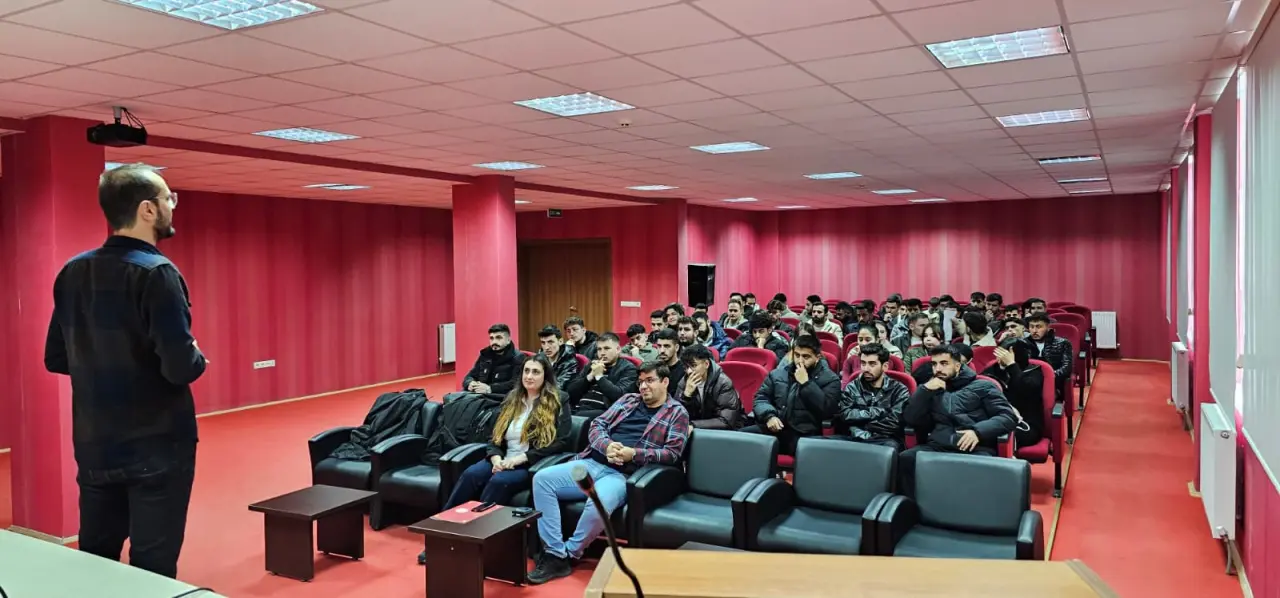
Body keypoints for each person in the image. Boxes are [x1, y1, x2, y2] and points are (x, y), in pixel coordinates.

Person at [44, 164, 207, 578]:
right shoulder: (158, 274)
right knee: (152, 566)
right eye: (169, 198)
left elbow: (55, 358)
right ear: (147, 210)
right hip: (157, 447)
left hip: (95, 443)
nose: (173, 205)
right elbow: (180, 368)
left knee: (96, 559)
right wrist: (196, 355)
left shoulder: (73, 271)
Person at [527, 362, 691, 585]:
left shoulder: (677, 412)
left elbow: (672, 454)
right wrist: (607, 446)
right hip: (593, 462)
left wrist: (633, 454)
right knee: (542, 479)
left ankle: (570, 554)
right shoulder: (628, 400)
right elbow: (597, 424)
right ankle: (555, 552)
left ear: (665, 382)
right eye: (640, 382)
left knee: (598, 502)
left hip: (624, 475)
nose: (643, 386)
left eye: (650, 381)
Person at [419, 353, 571, 565]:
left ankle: (472, 541)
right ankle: (440, 537)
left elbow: (560, 442)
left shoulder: (558, 400)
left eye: (536, 372)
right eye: (526, 371)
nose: (529, 376)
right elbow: (494, 436)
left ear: (546, 376)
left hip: (529, 464)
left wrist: (520, 459)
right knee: (471, 475)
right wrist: (496, 458)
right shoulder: (512, 398)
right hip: (502, 458)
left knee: (499, 482)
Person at [900, 344, 1018, 495]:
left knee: (979, 471)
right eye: (934, 364)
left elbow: (1008, 417)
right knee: (906, 458)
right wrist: (924, 391)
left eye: (944, 363)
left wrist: (977, 432)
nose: (938, 369)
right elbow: (910, 418)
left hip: (975, 448)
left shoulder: (983, 386)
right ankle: (912, 505)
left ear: (957, 366)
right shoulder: (930, 388)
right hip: (939, 446)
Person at [744, 335, 840, 456]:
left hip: (805, 435)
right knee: (740, 438)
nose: (800, 361)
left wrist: (806, 384)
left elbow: (827, 410)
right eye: (797, 355)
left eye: (806, 356)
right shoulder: (778, 374)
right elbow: (761, 398)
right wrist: (769, 416)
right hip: (777, 429)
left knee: (809, 453)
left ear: (817, 357)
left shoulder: (831, 380)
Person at [836, 344, 909, 450]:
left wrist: (865, 427)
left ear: (885, 366)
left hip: (885, 439)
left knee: (890, 447)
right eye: (863, 363)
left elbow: (894, 423)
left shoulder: (899, 390)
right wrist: (876, 412)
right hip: (854, 437)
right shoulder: (853, 386)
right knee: (820, 443)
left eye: (872, 364)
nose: (866, 369)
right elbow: (844, 414)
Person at [983, 337, 1045, 447]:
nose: (1000, 358)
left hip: (1026, 423)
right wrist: (1002, 367)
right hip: (996, 419)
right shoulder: (993, 370)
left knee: (997, 437)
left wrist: (1011, 365)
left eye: (1004, 355)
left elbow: (1027, 389)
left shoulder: (1033, 371)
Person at [565, 333, 637, 417]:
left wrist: (599, 376)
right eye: (599, 349)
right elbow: (570, 391)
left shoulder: (628, 368)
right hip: (578, 408)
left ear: (618, 349)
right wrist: (590, 376)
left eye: (606, 348)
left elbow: (620, 396)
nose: (602, 353)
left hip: (605, 413)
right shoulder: (591, 365)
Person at [676, 344, 743, 430]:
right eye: (686, 367)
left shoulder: (723, 383)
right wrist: (686, 396)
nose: (689, 371)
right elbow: (676, 416)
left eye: (693, 365)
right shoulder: (684, 382)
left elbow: (726, 421)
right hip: (696, 429)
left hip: (726, 431)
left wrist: (693, 425)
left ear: (706, 364)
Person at [463, 324, 525, 396]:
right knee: (453, 398)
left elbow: (515, 383)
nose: (494, 342)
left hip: (499, 397)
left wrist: (490, 388)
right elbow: (470, 375)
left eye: (498, 338)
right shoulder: (485, 355)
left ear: (508, 340)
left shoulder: (518, 357)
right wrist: (470, 383)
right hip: (479, 394)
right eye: (491, 338)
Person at [1026, 314, 1072, 392]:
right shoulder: (1023, 343)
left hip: (1054, 383)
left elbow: (1066, 368)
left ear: (1047, 327)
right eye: (1031, 327)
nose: (1034, 330)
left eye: (1038, 327)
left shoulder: (1063, 343)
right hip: (1028, 383)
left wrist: (1048, 377)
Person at [538, 324, 581, 390]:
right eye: (543, 343)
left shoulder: (570, 362)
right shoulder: (540, 357)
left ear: (560, 341)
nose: (546, 347)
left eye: (550, 342)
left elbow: (559, 388)